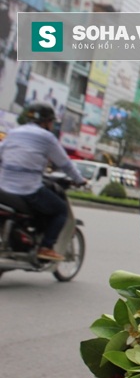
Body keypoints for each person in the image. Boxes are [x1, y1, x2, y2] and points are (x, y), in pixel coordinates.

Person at [0, 102, 86, 261]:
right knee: (60, 210)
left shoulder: (13, 132)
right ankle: (46, 247)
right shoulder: (46, 137)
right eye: (52, 122)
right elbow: (65, 163)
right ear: (47, 122)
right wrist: (79, 180)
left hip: (3, 188)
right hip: (26, 189)